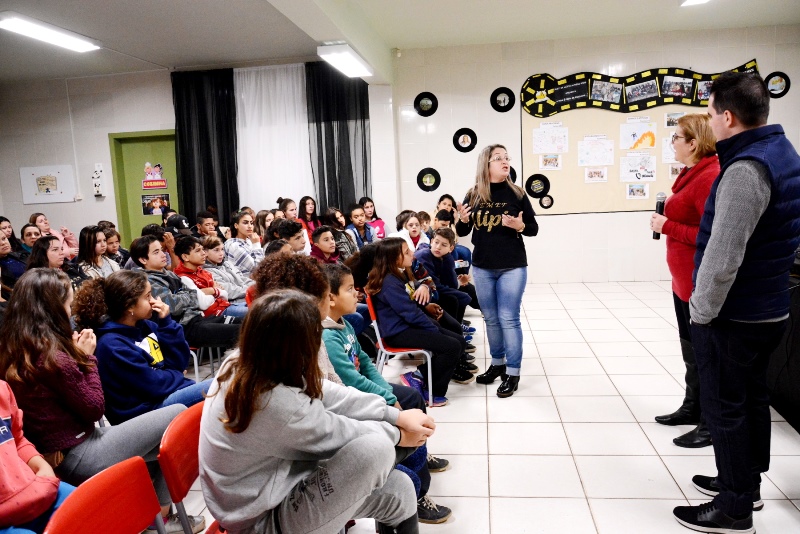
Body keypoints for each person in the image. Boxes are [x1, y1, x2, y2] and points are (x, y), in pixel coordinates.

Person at [672, 72, 800, 533]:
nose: (710, 123)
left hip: (736, 315)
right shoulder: (782, 152)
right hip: (770, 307)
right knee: (751, 400)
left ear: (727, 117)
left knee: (726, 406)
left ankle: (734, 506)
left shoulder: (746, 170)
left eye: (710, 115)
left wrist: (700, 314)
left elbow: (724, 256)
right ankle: (744, 481)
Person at [199, 289, 429, 534]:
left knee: (400, 488)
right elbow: (340, 434)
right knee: (376, 449)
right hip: (261, 520)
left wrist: (395, 415)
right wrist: (399, 435)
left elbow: (328, 392)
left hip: (280, 483)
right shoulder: (271, 402)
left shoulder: (250, 359)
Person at [0, 269, 203, 534]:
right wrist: (86, 360)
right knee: (177, 416)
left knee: (169, 447)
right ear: (52, 308)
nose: (71, 311)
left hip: (68, 446)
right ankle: (160, 517)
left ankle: (156, 515)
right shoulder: (52, 355)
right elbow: (95, 407)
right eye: (67, 304)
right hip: (79, 451)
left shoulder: (18, 348)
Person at [320, 263, 452, 524]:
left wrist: (385, 390)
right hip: (352, 399)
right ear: (331, 298)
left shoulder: (343, 324)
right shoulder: (327, 337)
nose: (357, 293)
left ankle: (420, 453)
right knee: (405, 407)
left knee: (411, 399)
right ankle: (416, 492)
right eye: (349, 289)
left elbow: (366, 363)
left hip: (367, 390)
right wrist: (388, 399)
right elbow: (350, 381)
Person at [648, 114, 719, 449]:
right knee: (691, 350)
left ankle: (709, 423)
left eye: (676, 137)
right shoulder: (691, 174)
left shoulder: (709, 176)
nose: (672, 143)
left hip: (699, 284)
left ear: (693, 142)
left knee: (707, 356)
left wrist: (667, 226)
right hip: (682, 283)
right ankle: (693, 406)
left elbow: (713, 235)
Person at [72, 270, 213, 425]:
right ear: (129, 306)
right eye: (147, 297)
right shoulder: (112, 345)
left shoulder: (145, 326)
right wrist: (177, 374)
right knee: (219, 387)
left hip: (164, 395)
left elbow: (180, 362)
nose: (153, 301)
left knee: (223, 387)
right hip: (144, 414)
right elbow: (154, 385)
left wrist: (166, 324)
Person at [456, 145, 538, 398]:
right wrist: (463, 219)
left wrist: (520, 224)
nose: (505, 161)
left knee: (508, 318)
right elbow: (462, 232)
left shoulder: (517, 193)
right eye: (498, 158)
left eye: (507, 158)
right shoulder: (474, 194)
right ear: (486, 164)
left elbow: (533, 228)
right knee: (490, 318)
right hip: (482, 267)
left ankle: (512, 373)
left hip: (512, 266)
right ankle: (497, 364)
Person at [366, 238, 471, 407]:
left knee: (458, 341)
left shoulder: (397, 275)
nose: (412, 254)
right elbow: (410, 313)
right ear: (394, 258)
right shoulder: (389, 283)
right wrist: (433, 329)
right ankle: (433, 392)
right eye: (406, 252)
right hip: (398, 333)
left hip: (407, 327)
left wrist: (428, 310)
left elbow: (411, 305)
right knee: (451, 346)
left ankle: (418, 376)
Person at [130, 235, 241, 349]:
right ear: (143, 259)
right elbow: (174, 307)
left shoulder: (169, 274)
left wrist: (184, 296)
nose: (163, 254)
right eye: (156, 252)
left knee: (250, 322)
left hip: (198, 318)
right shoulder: (148, 282)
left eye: (162, 250)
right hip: (184, 327)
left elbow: (195, 295)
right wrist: (187, 295)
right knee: (243, 331)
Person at [0, 379, 77, 534]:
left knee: (90, 505)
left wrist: (42, 466)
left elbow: (17, 438)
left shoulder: (2, 389)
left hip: (37, 490)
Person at [174, 236, 248, 319]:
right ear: (185, 257)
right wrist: (213, 290)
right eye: (198, 250)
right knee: (259, 313)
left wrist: (210, 292)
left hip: (225, 306)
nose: (203, 253)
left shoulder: (203, 272)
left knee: (260, 306)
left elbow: (224, 295)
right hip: (214, 315)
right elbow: (203, 304)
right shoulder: (183, 278)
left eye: (202, 249)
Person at [25, 235, 90, 292]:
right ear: (42, 254)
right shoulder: (36, 279)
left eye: (61, 249)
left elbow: (90, 284)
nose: (61, 253)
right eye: (55, 250)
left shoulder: (72, 268)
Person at [202, 235, 253, 304]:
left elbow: (243, 278)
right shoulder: (207, 271)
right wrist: (252, 289)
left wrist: (257, 285)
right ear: (205, 252)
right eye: (216, 250)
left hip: (245, 296)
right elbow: (229, 291)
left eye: (222, 249)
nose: (221, 253)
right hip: (231, 303)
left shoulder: (227, 264)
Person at [223, 210, 265, 276]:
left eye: (251, 223)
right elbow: (258, 269)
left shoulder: (249, 241)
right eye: (245, 223)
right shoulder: (234, 246)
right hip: (244, 283)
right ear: (236, 225)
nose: (249, 226)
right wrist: (256, 245)